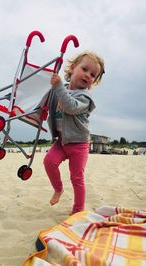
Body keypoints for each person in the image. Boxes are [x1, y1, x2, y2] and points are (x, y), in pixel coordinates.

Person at [43, 51, 105, 215]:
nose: (88, 75)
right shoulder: (60, 89)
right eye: (84, 69)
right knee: (49, 161)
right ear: (72, 68)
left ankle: (77, 211)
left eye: (93, 75)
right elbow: (49, 102)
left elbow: (70, 106)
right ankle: (58, 189)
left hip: (79, 144)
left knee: (77, 178)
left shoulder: (85, 98)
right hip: (62, 141)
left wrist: (57, 87)